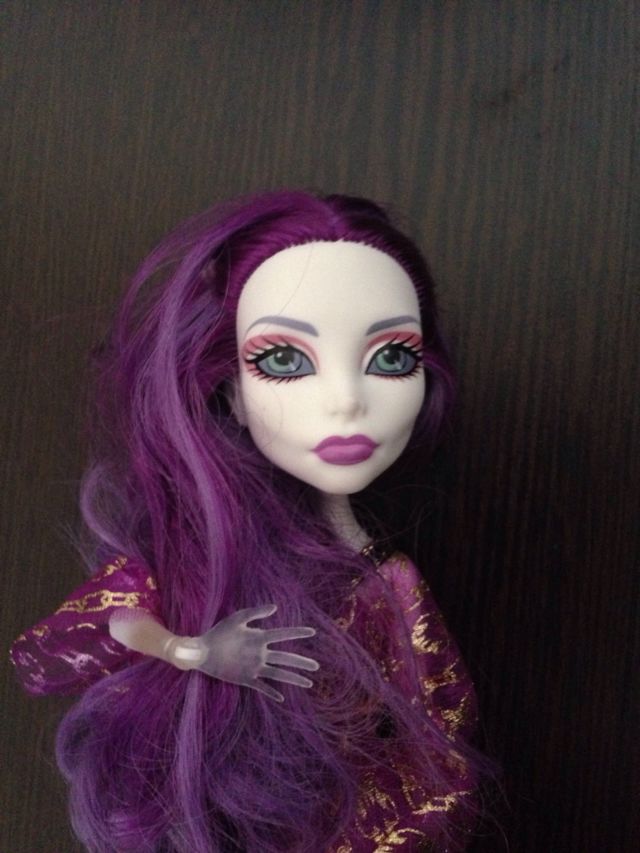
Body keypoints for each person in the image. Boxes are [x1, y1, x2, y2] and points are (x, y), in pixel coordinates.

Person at [11, 192, 492, 852]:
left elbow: (442, 736)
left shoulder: (391, 582)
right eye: (284, 360)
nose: (347, 400)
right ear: (231, 390)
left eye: (390, 357)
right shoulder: (197, 560)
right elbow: (79, 640)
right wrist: (194, 651)